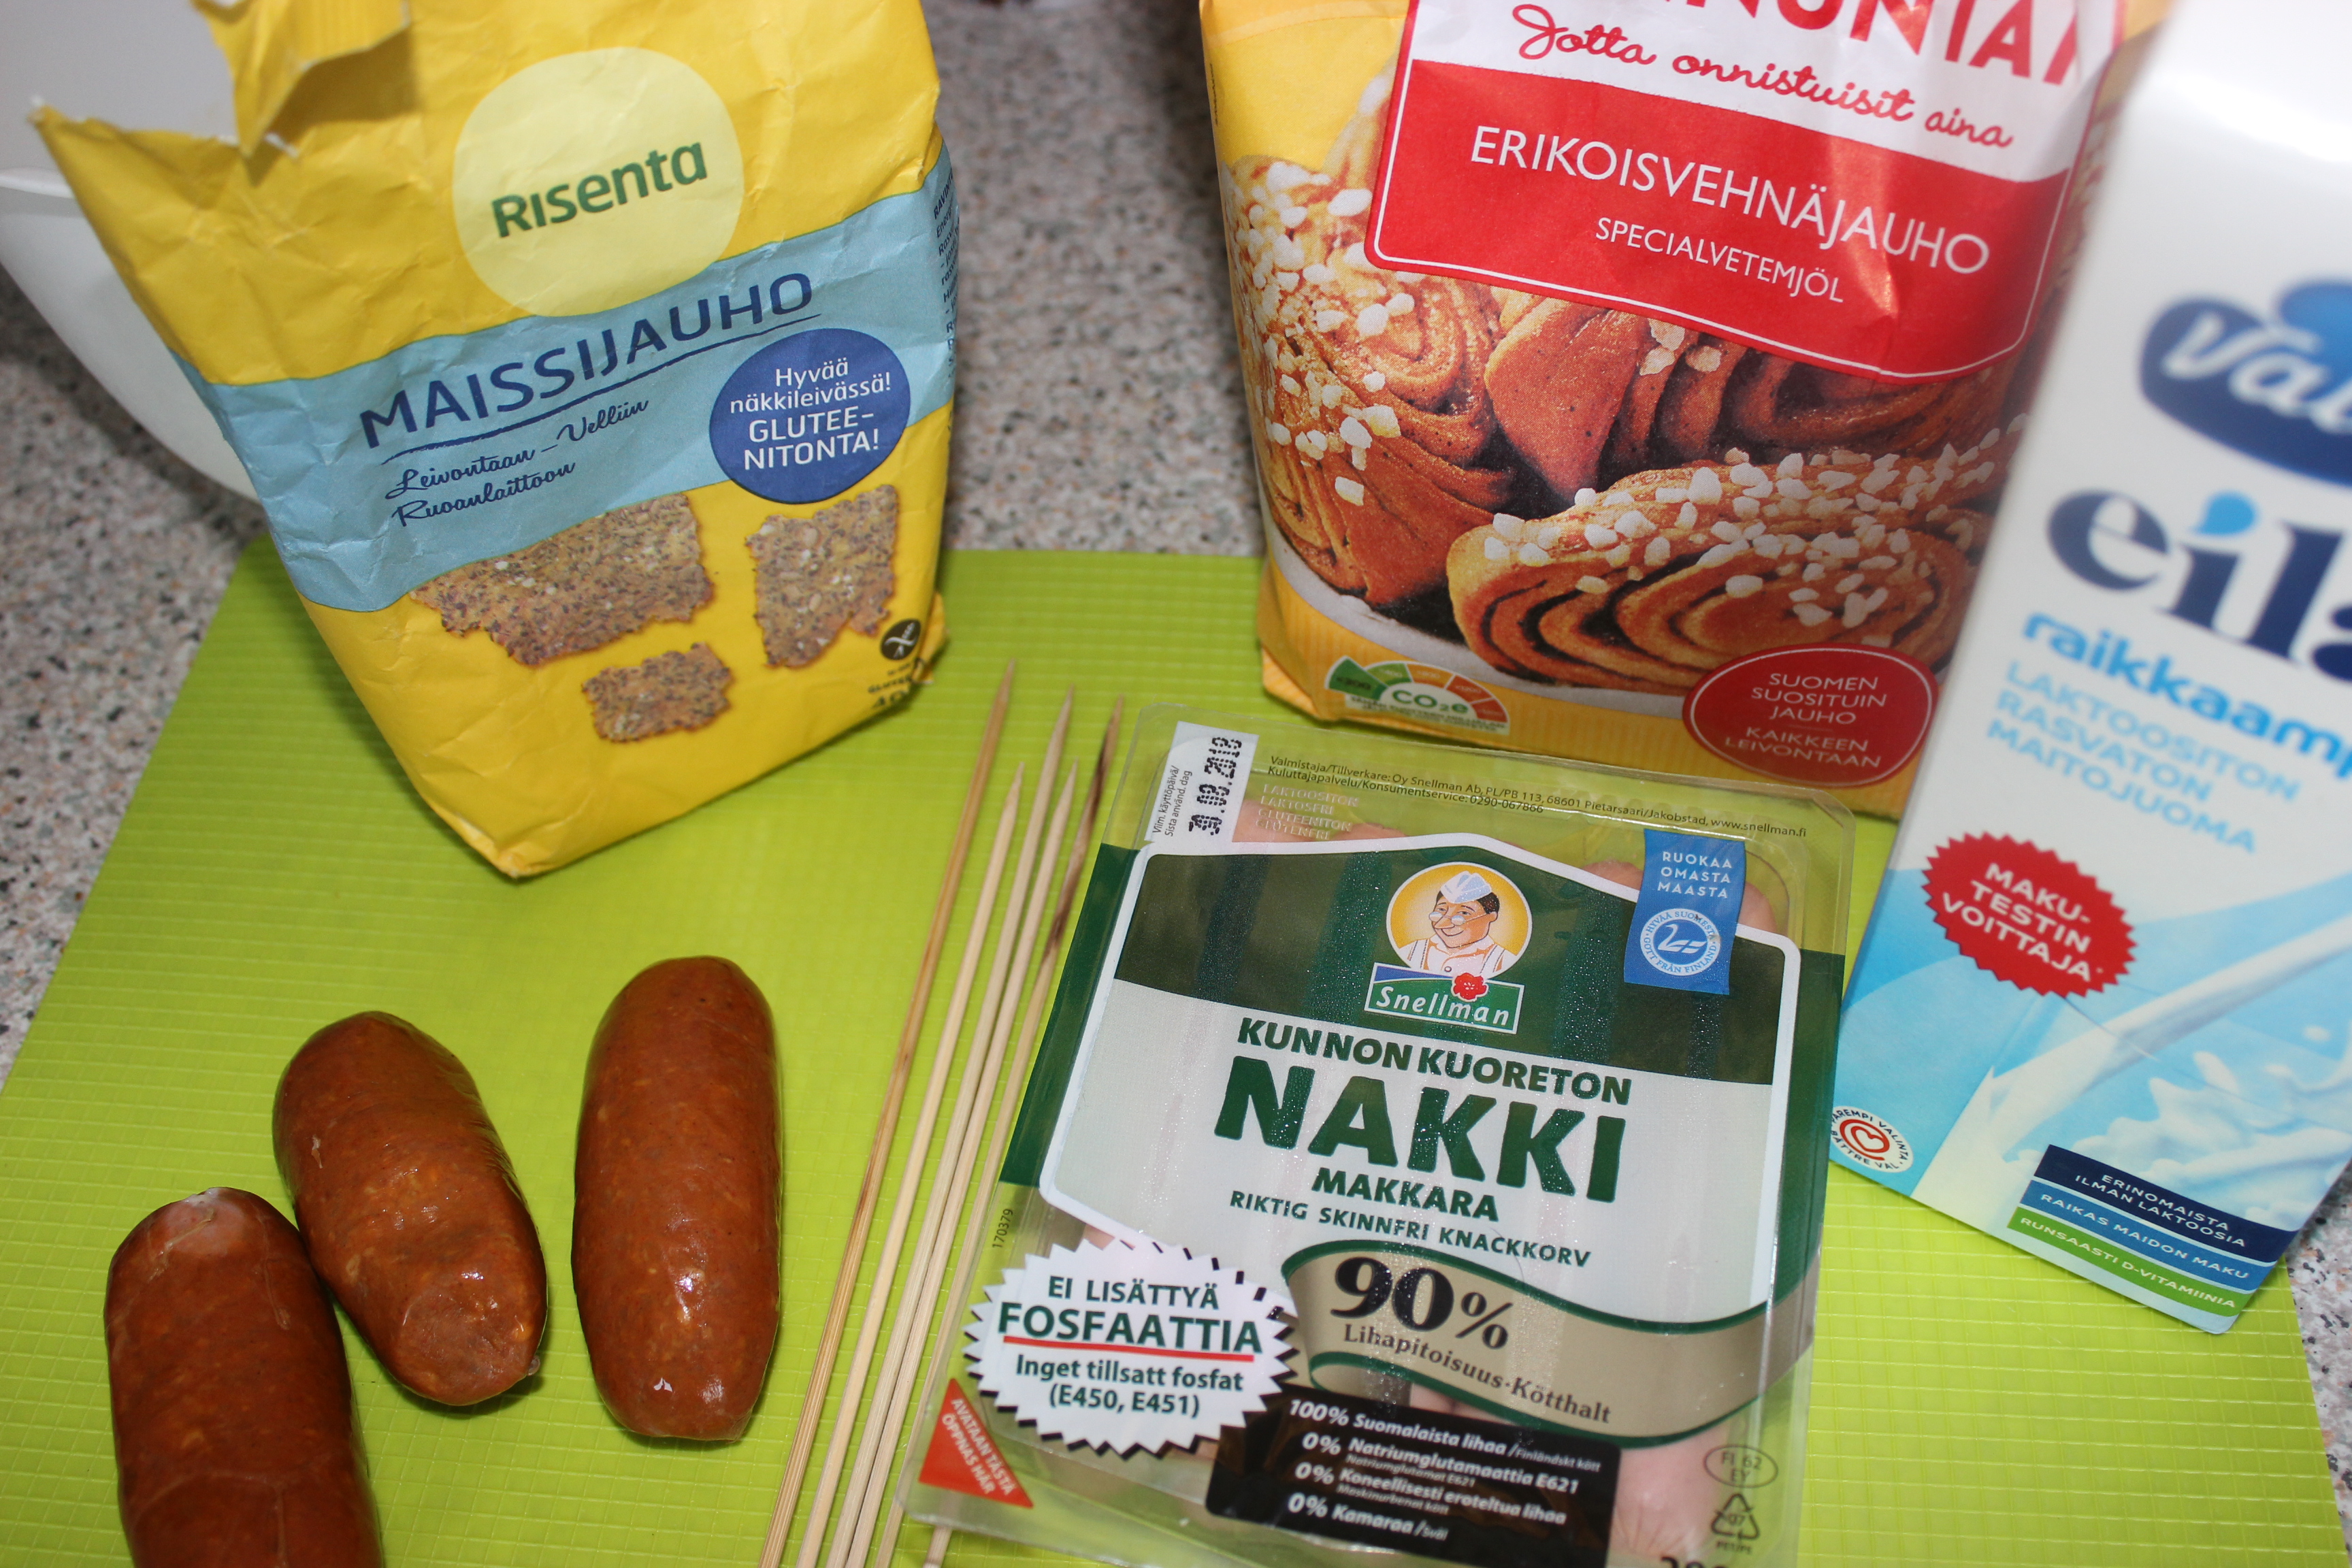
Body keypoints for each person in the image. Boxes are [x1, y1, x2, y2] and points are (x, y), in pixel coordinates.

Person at [1399, 870, 1518, 978]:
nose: (1442, 925)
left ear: (1491, 917)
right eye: (1441, 910)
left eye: (1463, 913)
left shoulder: (1503, 960)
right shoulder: (1413, 951)